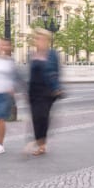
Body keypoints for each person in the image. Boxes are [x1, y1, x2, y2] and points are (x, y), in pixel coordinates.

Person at [27, 28, 63, 156]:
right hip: (34, 91)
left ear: (46, 40)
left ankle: (41, 144)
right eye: (36, 38)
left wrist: (57, 88)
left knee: (42, 116)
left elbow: (55, 72)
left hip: (47, 91)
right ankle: (40, 141)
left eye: (40, 38)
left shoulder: (52, 54)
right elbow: (31, 74)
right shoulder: (32, 55)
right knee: (36, 118)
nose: (38, 41)